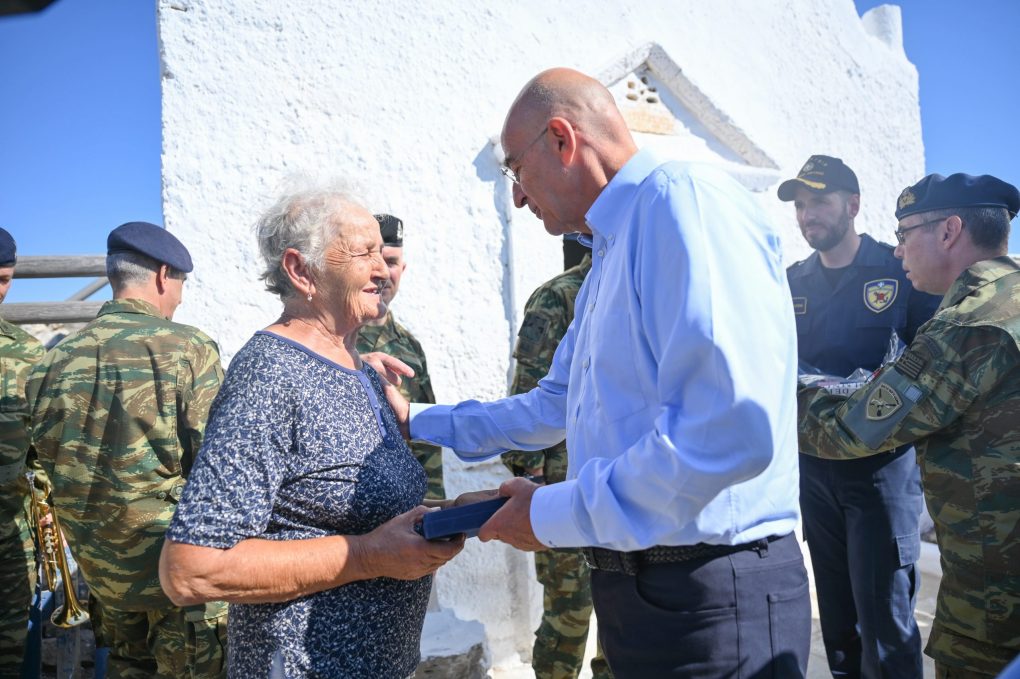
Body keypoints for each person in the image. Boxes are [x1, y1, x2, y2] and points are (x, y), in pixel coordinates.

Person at [379, 68, 811, 678]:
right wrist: (414, 420)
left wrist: (546, 513)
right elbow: (551, 406)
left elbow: (723, 431)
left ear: (562, 139)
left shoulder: (682, 202)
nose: (518, 197)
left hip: (709, 590)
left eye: (516, 171)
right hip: (642, 588)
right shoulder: (612, 248)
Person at [159, 187, 467, 678]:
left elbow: (356, 509)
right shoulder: (270, 375)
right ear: (301, 271)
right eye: (364, 253)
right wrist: (366, 556)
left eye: (383, 254)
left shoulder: (361, 369)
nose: (383, 270)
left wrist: (457, 512)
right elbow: (191, 568)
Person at [797, 172, 1020, 678]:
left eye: (905, 234)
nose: (898, 250)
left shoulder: (969, 325)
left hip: (996, 605)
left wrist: (773, 397)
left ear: (949, 231)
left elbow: (854, 429)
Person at [27, 222, 228, 678]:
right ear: (163, 275)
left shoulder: (49, 364)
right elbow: (220, 468)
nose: (179, 300)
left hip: (105, 583)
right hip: (177, 582)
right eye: (180, 285)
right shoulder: (187, 348)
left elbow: (45, 472)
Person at [779, 155, 940, 677]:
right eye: (800, 205)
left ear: (852, 205)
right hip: (814, 471)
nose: (808, 214)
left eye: (819, 201)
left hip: (880, 471)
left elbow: (931, 359)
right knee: (839, 627)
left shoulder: (897, 270)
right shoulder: (790, 282)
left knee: (886, 626)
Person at [502, 251, 611, 679]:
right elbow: (527, 392)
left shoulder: (631, 283)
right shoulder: (559, 296)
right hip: (560, 490)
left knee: (620, 617)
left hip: (616, 487)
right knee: (568, 615)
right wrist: (532, 479)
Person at [356, 213, 444, 500]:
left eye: (392, 262)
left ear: (402, 269)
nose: (383, 273)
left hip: (402, 510)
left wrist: (432, 507)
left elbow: (426, 438)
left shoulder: (410, 348)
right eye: (374, 261)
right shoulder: (328, 340)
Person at [0, 228, 45, 678]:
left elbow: (40, 446)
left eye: (4, 279)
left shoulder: (28, 353)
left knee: (11, 651)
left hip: (11, 539)